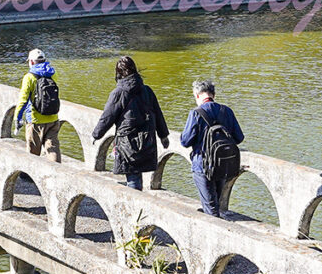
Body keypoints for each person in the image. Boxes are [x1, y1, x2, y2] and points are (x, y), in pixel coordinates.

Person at [92, 54, 169, 189]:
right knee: (136, 174)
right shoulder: (147, 91)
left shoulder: (119, 93)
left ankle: (135, 201)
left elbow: (107, 117)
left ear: (118, 73)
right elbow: (158, 114)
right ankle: (137, 198)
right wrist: (163, 136)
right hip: (147, 139)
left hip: (127, 141)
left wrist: (96, 134)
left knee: (132, 175)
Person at [178, 78, 245, 216]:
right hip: (223, 164)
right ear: (213, 95)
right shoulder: (227, 111)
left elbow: (185, 141)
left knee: (211, 209)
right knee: (215, 204)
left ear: (197, 95)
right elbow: (239, 138)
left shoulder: (196, 113)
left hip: (202, 166)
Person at [17, 48, 64, 162]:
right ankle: (56, 170)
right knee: (53, 149)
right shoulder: (53, 74)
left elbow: (23, 100)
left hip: (35, 120)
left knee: (33, 154)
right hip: (53, 118)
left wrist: (17, 118)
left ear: (32, 62)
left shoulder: (29, 77)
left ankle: (31, 172)